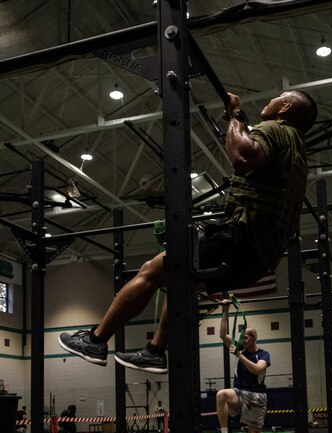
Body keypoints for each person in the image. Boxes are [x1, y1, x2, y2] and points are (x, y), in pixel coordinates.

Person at [58, 89, 317, 371]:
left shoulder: (276, 130)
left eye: (277, 98)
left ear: (285, 108)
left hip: (242, 240)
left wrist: (235, 115)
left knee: (151, 270)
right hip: (258, 261)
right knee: (182, 282)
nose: (269, 101)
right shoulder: (298, 153)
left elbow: (242, 156)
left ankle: (95, 340)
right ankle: (155, 351)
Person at [214, 301, 269, 433]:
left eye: (245, 338)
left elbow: (258, 369)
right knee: (221, 395)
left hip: (256, 397)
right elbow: (223, 335)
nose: (242, 340)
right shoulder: (240, 347)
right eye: (241, 337)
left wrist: (239, 355)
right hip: (239, 393)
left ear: (254, 338)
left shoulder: (263, 354)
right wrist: (225, 311)